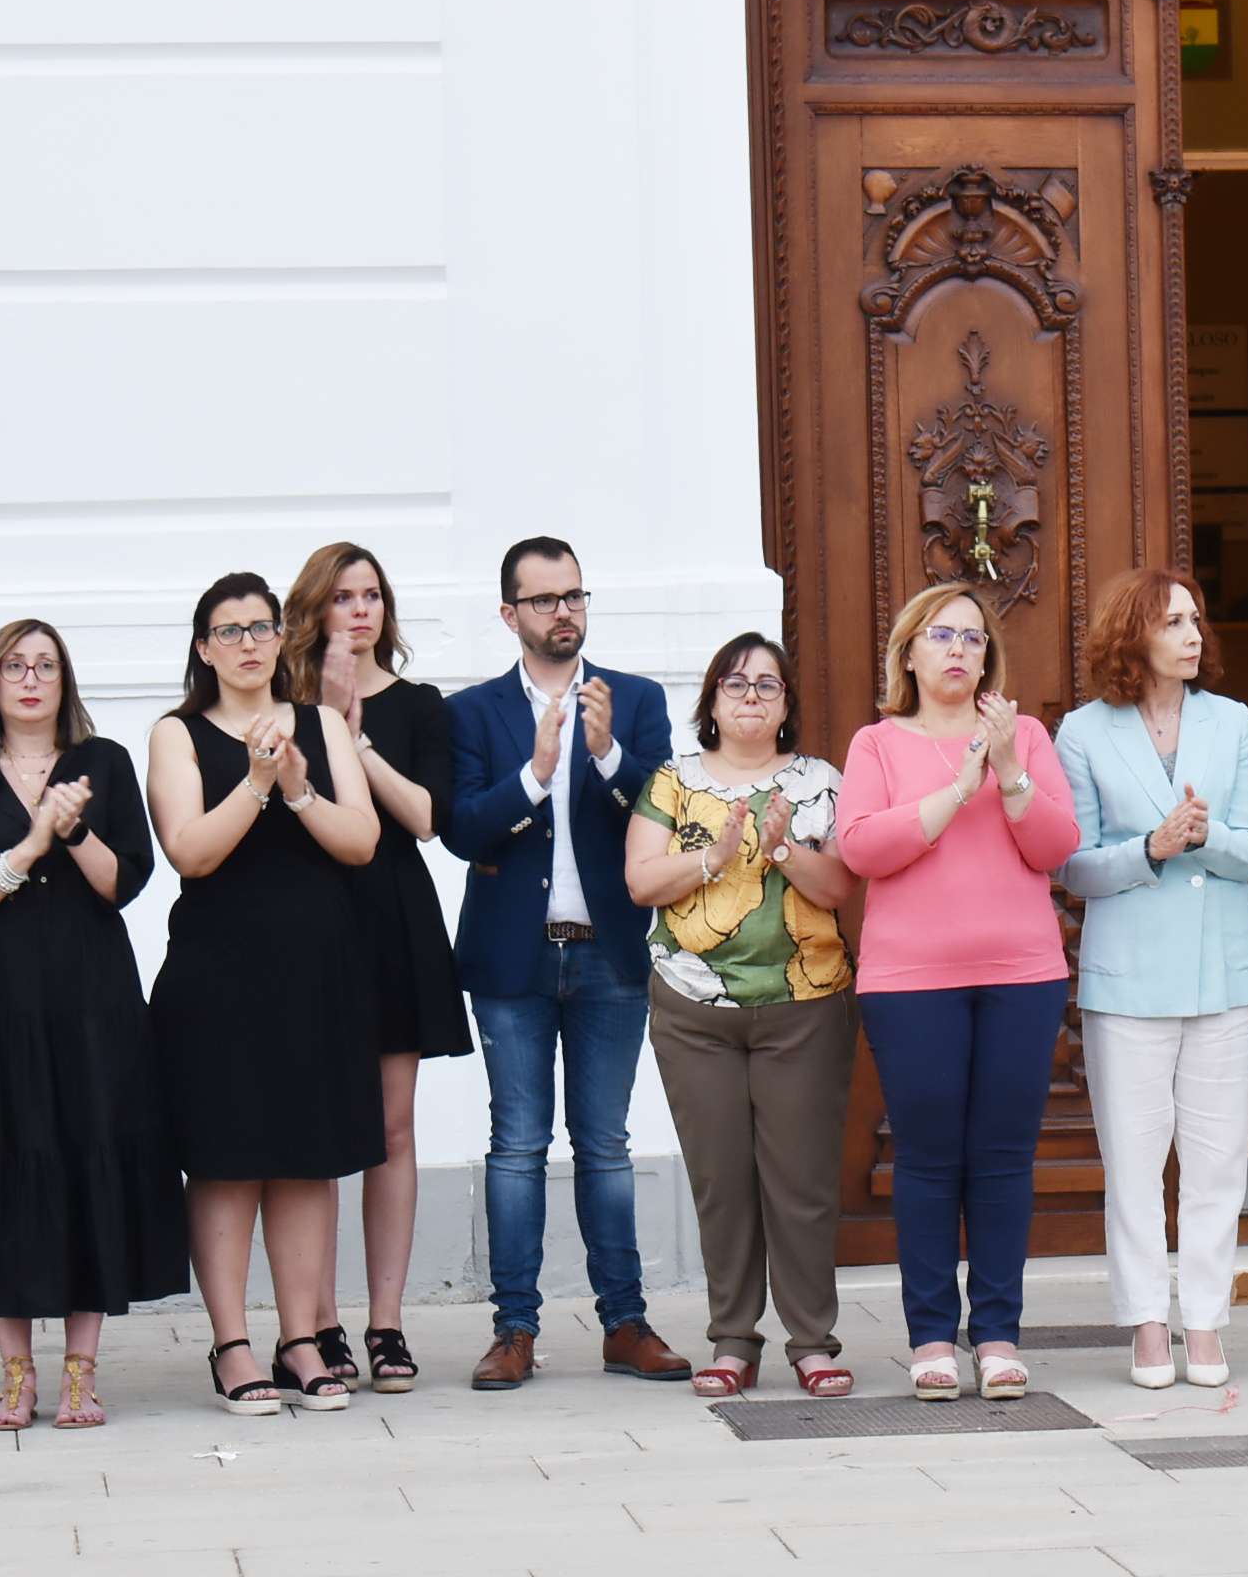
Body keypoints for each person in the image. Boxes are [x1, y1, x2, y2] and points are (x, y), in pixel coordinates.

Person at [0, 620, 187, 1430]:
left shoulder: (105, 765)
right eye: (14, 666)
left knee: (88, 1157)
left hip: (90, 1000)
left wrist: (76, 829)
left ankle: (82, 1375)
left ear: (66, 680)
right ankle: (16, 1375)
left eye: (46, 665)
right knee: (1, 1161)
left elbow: (124, 884)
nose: (30, 679)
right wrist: (31, 841)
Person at [444, 536, 686, 1391]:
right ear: (510, 614)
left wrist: (612, 756)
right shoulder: (472, 713)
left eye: (575, 595)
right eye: (544, 600)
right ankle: (515, 1330)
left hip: (610, 955)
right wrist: (537, 775)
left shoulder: (638, 700)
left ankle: (625, 1322)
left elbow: (667, 807)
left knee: (608, 1146)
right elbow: (461, 827)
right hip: (514, 959)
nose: (564, 612)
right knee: (516, 1146)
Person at [835, 581, 1080, 1402]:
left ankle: (999, 1335)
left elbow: (1056, 846)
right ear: (909, 652)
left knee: (1005, 1160)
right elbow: (863, 847)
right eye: (942, 636)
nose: (958, 651)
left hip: (1021, 976)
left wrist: (1007, 770)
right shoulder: (877, 744)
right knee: (930, 1160)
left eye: (973, 639)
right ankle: (932, 1337)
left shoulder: (1029, 738)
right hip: (910, 983)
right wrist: (955, 788)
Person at [146, 573, 384, 1415]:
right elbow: (189, 852)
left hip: (316, 970)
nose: (248, 642)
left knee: (307, 1161)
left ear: (281, 638)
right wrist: (253, 782)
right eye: (228, 629)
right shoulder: (177, 734)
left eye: (260, 626)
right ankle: (233, 1343)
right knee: (225, 1160)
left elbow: (361, 841)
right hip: (218, 975)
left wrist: (296, 787)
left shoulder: (320, 724)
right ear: (204, 648)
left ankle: (299, 1341)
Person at [623, 634, 859, 1400]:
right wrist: (713, 858)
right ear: (711, 701)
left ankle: (813, 1342)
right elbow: (639, 881)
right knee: (721, 1180)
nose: (752, 695)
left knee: (801, 1181)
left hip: (806, 1006)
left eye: (768, 685)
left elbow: (840, 890)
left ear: (788, 704)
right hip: (694, 1009)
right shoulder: (673, 781)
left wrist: (784, 847)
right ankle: (732, 1340)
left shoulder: (822, 783)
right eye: (736, 683)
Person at [1055, 568, 1248, 1389]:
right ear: (1133, 634)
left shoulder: (1235, 722)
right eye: (1175, 621)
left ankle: (1206, 1322)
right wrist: (1152, 847)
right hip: (1129, 979)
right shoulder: (1083, 732)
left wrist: (1202, 835)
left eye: (1197, 620)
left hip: (1223, 972)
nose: (1193, 635)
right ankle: (1148, 1323)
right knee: (1135, 1162)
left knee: (1217, 1161)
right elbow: (1074, 864)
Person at [282, 542, 470, 1393]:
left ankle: (386, 1323)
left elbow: (427, 818)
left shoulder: (420, 705)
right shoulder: (277, 707)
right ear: (314, 610)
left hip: (393, 915)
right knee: (317, 1129)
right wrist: (316, 721)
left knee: (393, 1130)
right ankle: (316, 1323)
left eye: (373, 595)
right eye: (343, 597)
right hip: (310, 922)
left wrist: (355, 744)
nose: (361, 610)